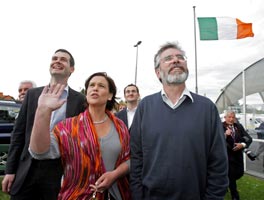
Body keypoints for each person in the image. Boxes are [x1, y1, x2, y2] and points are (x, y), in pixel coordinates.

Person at [130, 42, 228, 200]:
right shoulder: (145, 106)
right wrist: (137, 195)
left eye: (180, 57)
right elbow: (136, 156)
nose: (176, 60)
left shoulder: (207, 107)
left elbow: (218, 161)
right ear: (158, 73)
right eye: (168, 58)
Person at [29, 72, 131, 200]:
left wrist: (115, 175)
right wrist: (43, 111)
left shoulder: (120, 126)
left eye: (101, 86)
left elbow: (129, 159)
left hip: (115, 194)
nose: (95, 88)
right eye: (91, 85)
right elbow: (39, 152)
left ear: (110, 95)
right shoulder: (68, 127)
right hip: (76, 195)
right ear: (86, 92)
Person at [2, 49, 87, 200]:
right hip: (28, 167)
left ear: (72, 69)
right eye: (54, 58)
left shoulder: (80, 100)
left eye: (63, 59)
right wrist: (10, 170)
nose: (57, 61)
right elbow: (19, 134)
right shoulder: (33, 94)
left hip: (58, 169)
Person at [223, 110, 253, 200]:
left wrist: (242, 145)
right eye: (229, 117)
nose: (231, 119)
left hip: (238, 156)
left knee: (239, 173)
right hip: (226, 156)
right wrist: (225, 135)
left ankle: (225, 183)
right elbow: (215, 140)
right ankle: (235, 196)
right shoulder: (219, 126)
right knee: (231, 176)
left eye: (233, 117)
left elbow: (249, 138)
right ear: (225, 117)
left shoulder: (238, 126)